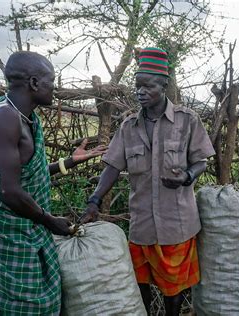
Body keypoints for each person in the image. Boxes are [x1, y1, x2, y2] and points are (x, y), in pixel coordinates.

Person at [81, 47, 215, 316]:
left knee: (174, 289)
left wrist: (187, 176)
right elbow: (112, 166)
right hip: (141, 224)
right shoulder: (129, 126)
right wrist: (95, 199)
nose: (140, 91)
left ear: (164, 85)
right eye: (137, 86)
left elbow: (202, 161)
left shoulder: (187, 121)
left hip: (176, 224)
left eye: (148, 85)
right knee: (139, 284)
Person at [0, 51, 107, 314]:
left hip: (28, 230)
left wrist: (70, 161)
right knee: (24, 306)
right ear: (34, 83)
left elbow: (24, 176)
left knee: (42, 304)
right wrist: (50, 221)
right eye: (51, 81)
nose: (54, 88)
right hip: (10, 236)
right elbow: (11, 192)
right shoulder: (5, 117)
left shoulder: (22, 116)